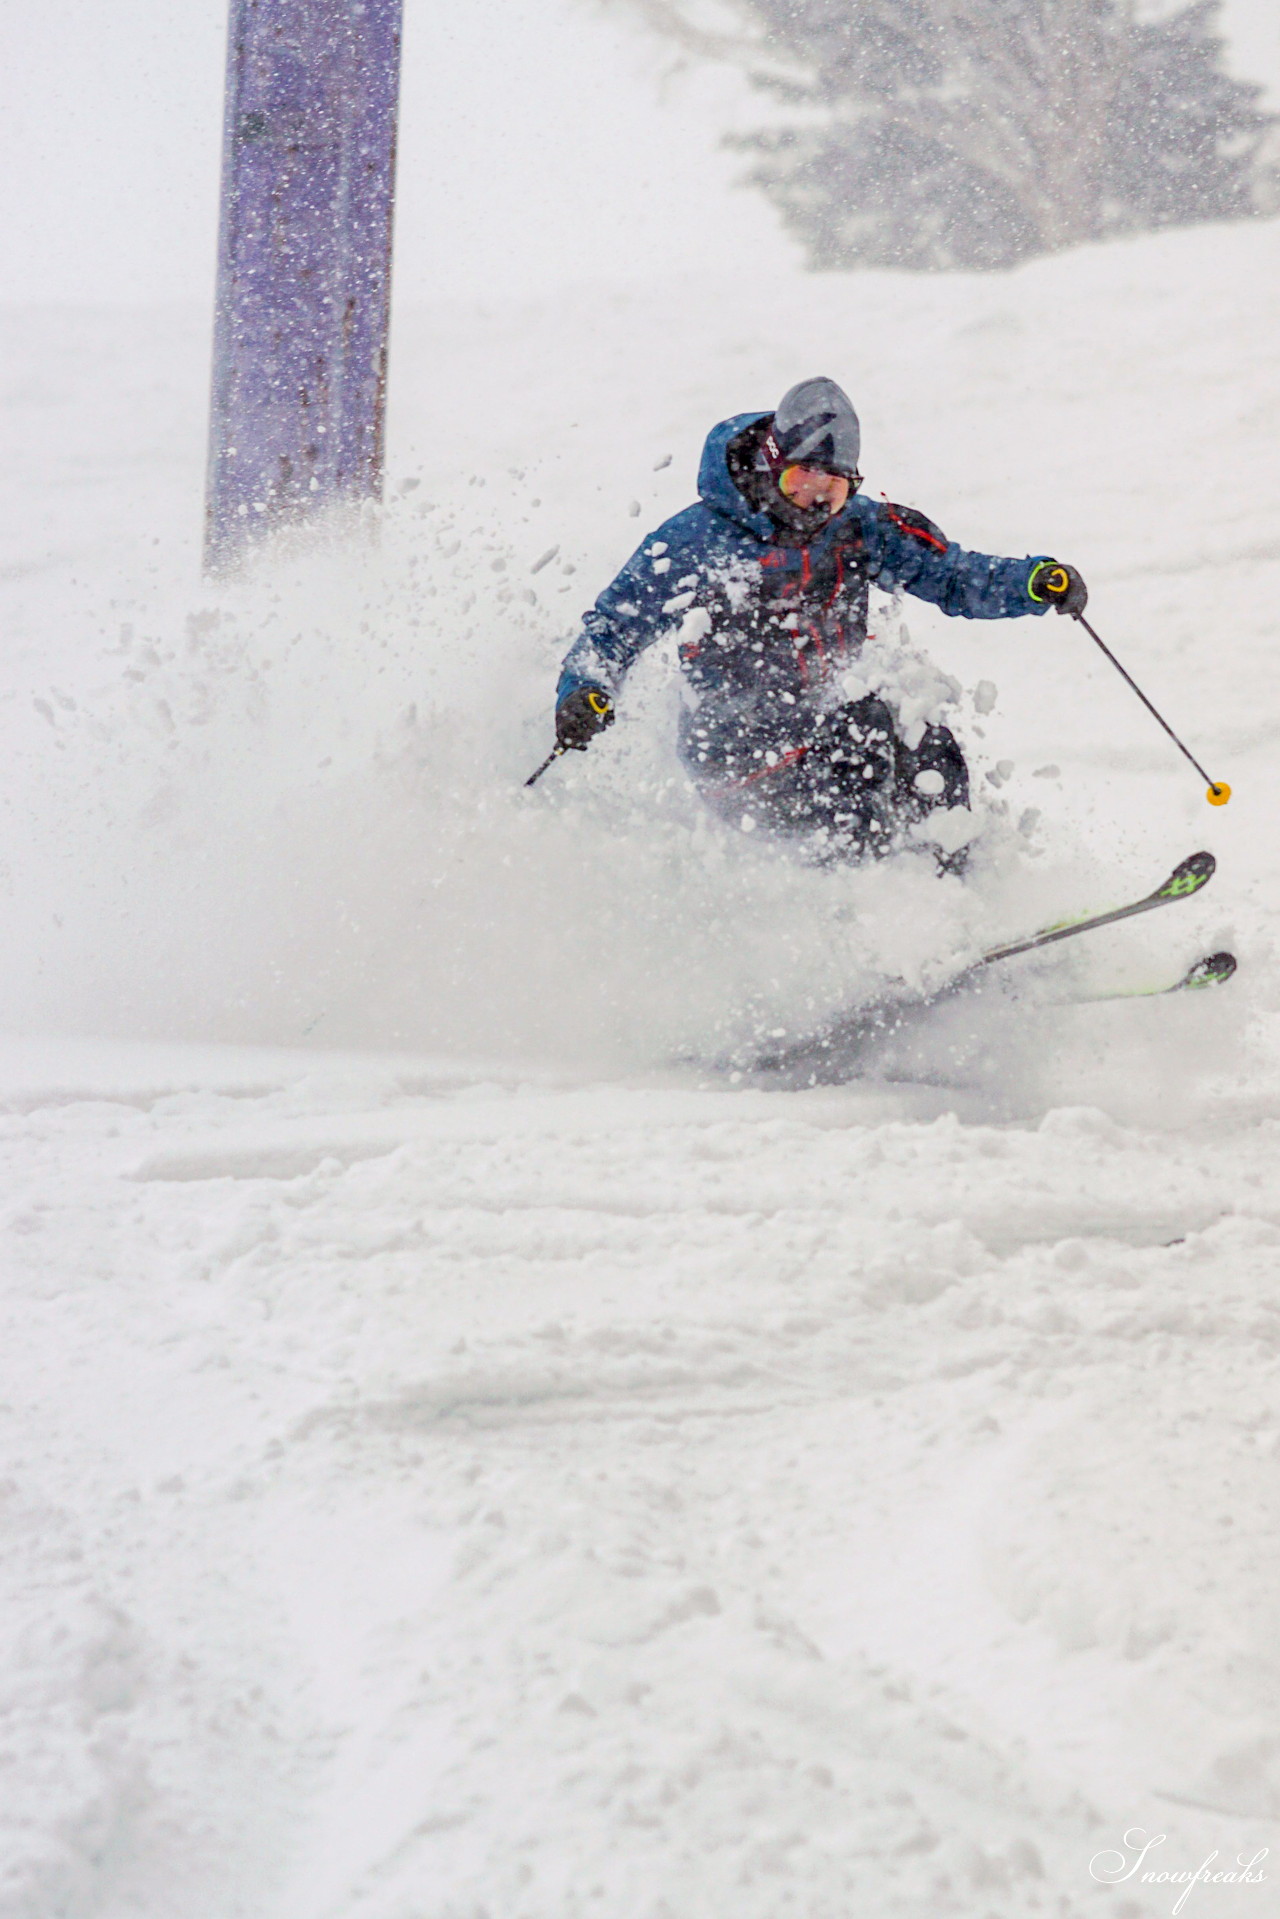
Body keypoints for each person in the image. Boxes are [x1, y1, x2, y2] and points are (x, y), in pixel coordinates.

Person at [552, 377, 1086, 863]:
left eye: (832, 492)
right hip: (740, 760)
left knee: (922, 735)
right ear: (769, 465)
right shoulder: (699, 541)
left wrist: (1030, 582)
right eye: (800, 484)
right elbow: (614, 629)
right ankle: (873, 919)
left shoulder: (858, 528)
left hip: (826, 727)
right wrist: (584, 691)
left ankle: (952, 900)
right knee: (865, 734)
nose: (813, 504)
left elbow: (950, 575)